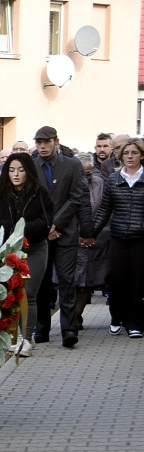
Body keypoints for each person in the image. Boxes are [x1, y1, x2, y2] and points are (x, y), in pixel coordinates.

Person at [0, 152, 54, 356]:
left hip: (35, 248)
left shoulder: (40, 193)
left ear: (28, 172)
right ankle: (12, 338)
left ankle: (26, 338)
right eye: (12, 170)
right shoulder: (0, 193)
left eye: (21, 170)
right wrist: (11, 229)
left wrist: (21, 230)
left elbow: (45, 222)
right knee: (10, 294)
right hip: (8, 250)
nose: (16, 174)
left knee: (29, 294)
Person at [31, 126, 90, 348]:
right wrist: (47, 227)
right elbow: (31, 200)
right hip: (41, 234)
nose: (42, 146)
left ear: (56, 142)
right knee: (42, 284)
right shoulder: (33, 165)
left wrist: (57, 224)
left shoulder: (72, 164)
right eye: (39, 142)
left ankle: (69, 329)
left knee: (67, 281)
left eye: (46, 142)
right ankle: (41, 329)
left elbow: (77, 198)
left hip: (65, 232)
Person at [87, 137, 144, 337]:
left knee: (137, 282)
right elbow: (104, 209)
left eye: (134, 153)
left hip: (140, 238)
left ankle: (134, 322)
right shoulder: (114, 179)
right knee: (116, 278)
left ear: (141, 156)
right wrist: (90, 233)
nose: (129, 156)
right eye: (126, 153)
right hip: (118, 236)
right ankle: (116, 316)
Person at [73, 152, 108, 331]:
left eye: (88, 173)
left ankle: (76, 316)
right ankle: (70, 317)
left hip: (93, 240)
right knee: (72, 282)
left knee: (85, 285)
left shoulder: (99, 183)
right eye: (82, 173)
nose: (86, 177)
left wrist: (91, 234)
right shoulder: (69, 183)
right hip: (71, 240)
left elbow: (103, 209)